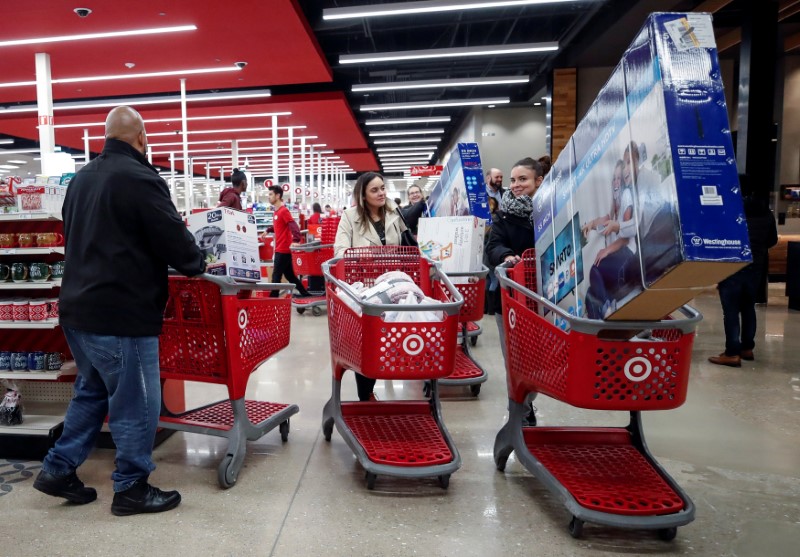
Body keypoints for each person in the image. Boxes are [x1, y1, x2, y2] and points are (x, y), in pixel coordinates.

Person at [33, 106, 206, 516]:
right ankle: (131, 488)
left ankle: (58, 468)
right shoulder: (142, 178)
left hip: (77, 311)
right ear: (142, 138)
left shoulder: (81, 179)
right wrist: (197, 261)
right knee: (136, 401)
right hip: (121, 314)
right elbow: (175, 242)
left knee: (91, 392)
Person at [334, 172, 408, 401]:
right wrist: (362, 257)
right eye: (374, 190)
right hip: (364, 288)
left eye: (383, 188)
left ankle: (373, 385)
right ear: (364, 196)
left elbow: (407, 245)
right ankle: (365, 395)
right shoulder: (349, 217)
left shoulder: (394, 212)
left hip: (393, 285)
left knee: (390, 336)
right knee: (367, 339)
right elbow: (339, 252)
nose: (381, 193)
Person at [485, 158, 544, 425]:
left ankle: (525, 403)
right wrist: (507, 256)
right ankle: (520, 408)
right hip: (510, 297)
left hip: (545, 298)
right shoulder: (503, 215)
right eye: (513, 180)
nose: (516, 185)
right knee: (514, 356)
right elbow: (493, 246)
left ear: (538, 182)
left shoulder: (551, 211)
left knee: (539, 356)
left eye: (523, 179)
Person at [709, 175, 778, 367]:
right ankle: (747, 348)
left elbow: (717, 237)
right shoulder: (767, 212)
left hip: (732, 265)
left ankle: (732, 352)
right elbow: (772, 240)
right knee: (748, 307)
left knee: (730, 311)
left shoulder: (730, 210)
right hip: (756, 267)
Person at [582, 159, 638, 319]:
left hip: (628, 253)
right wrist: (591, 224)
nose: (616, 181)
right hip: (618, 254)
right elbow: (605, 219)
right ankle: (600, 329)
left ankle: (608, 311)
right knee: (590, 294)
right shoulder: (616, 203)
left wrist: (606, 250)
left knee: (595, 269)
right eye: (614, 178)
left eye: (619, 178)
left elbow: (626, 236)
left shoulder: (626, 196)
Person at [267, 186, 311, 298]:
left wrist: (296, 239)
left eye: (271, 194)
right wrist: (267, 230)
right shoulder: (276, 212)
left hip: (282, 249)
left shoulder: (283, 211)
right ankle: (305, 293)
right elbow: (278, 226)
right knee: (290, 276)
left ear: (278, 196)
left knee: (276, 276)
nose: (269, 197)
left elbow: (293, 224)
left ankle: (272, 301)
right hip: (282, 249)